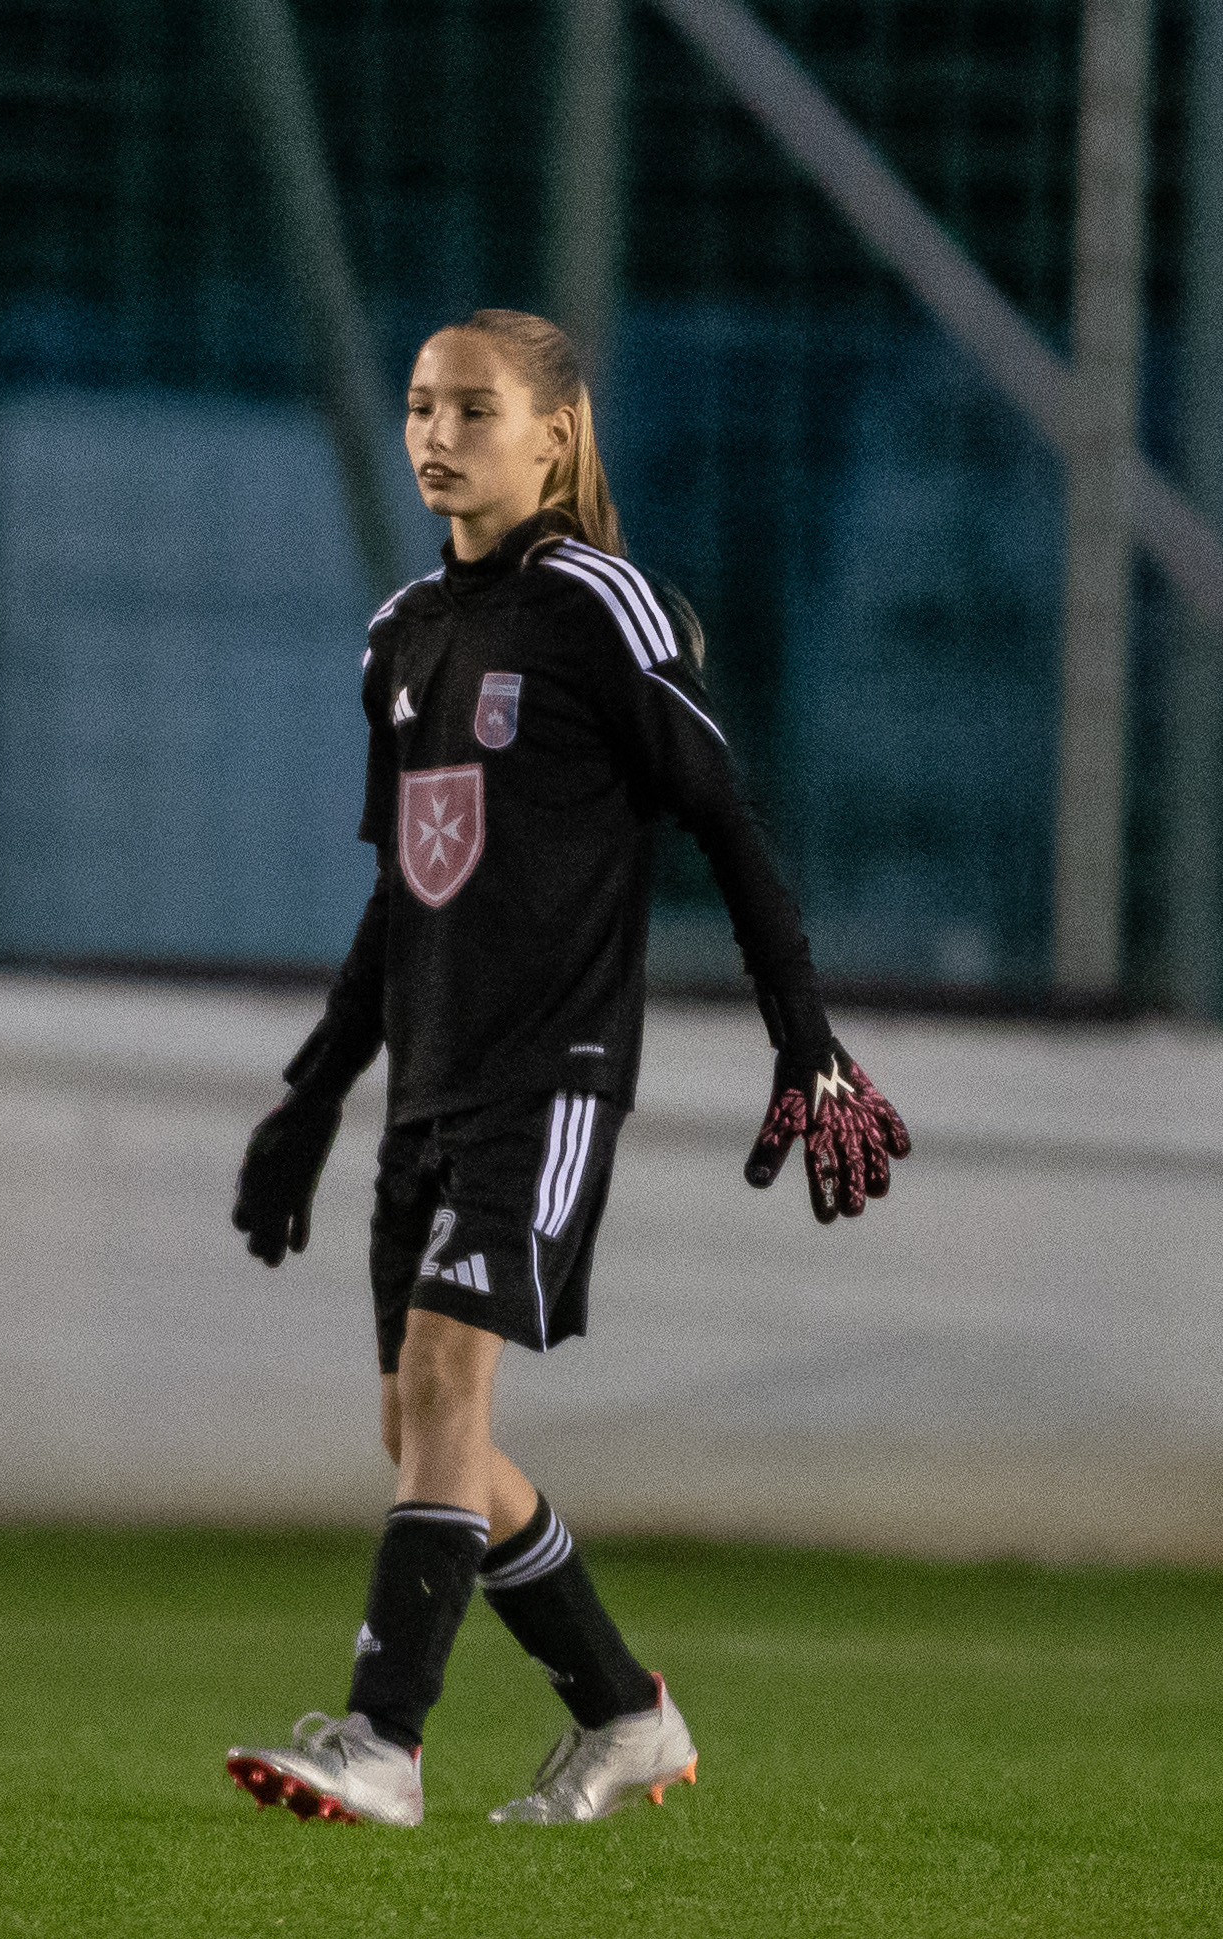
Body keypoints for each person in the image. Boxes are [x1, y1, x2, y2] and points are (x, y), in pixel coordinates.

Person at [223, 309, 910, 1828]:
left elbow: (726, 820)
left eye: (473, 409)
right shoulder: (401, 635)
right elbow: (406, 893)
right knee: (425, 1432)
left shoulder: (600, 603)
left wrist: (806, 1042)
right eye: (420, 406)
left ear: (554, 433)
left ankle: (383, 1742)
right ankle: (622, 1714)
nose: (436, 435)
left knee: (446, 1380)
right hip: (429, 1084)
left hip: (553, 1075)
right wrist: (312, 1098)